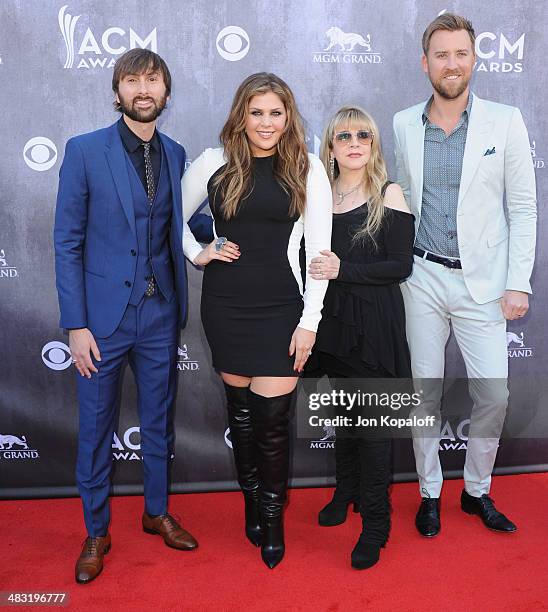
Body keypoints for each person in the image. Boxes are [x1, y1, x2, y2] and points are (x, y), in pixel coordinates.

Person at [54, 48, 214, 584]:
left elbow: (183, 222)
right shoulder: (84, 151)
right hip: (100, 322)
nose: (143, 89)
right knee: (97, 430)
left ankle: (155, 511)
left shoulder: (174, 152)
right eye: (132, 80)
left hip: (160, 313)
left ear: (165, 92)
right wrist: (75, 325)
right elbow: (67, 242)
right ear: (118, 90)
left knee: (158, 423)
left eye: (152, 80)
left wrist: (214, 245)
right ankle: (96, 531)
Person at [393, 13, 537, 537]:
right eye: (440, 55)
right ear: (425, 63)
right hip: (422, 279)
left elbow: (522, 208)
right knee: (423, 394)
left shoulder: (506, 120)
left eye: (460, 54)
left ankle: (476, 491)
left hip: (485, 284)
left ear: (474, 59)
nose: (450, 64)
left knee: (493, 396)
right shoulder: (403, 123)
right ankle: (429, 491)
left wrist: (517, 281)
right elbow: (399, 201)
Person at [181, 72, 332, 568]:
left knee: (271, 424)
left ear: (288, 117)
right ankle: (251, 497)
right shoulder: (214, 162)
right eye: (256, 112)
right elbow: (171, 219)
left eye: (275, 112)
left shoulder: (306, 168)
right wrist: (199, 253)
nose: (266, 123)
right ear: (240, 116)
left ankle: (272, 517)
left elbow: (320, 251)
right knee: (241, 418)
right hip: (225, 306)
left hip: (281, 308)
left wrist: (310, 320)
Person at [304, 106, 414, 569]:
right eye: (344, 135)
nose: (354, 142)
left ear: (373, 145)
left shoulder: (388, 194)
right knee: (345, 419)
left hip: (372, 327)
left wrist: (343, 269)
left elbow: (400, 265)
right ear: (330, 145)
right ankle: (344, 491)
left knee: (372, 432)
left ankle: (376, 524)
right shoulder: (318, 194)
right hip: (332, 324)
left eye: (364, 135)